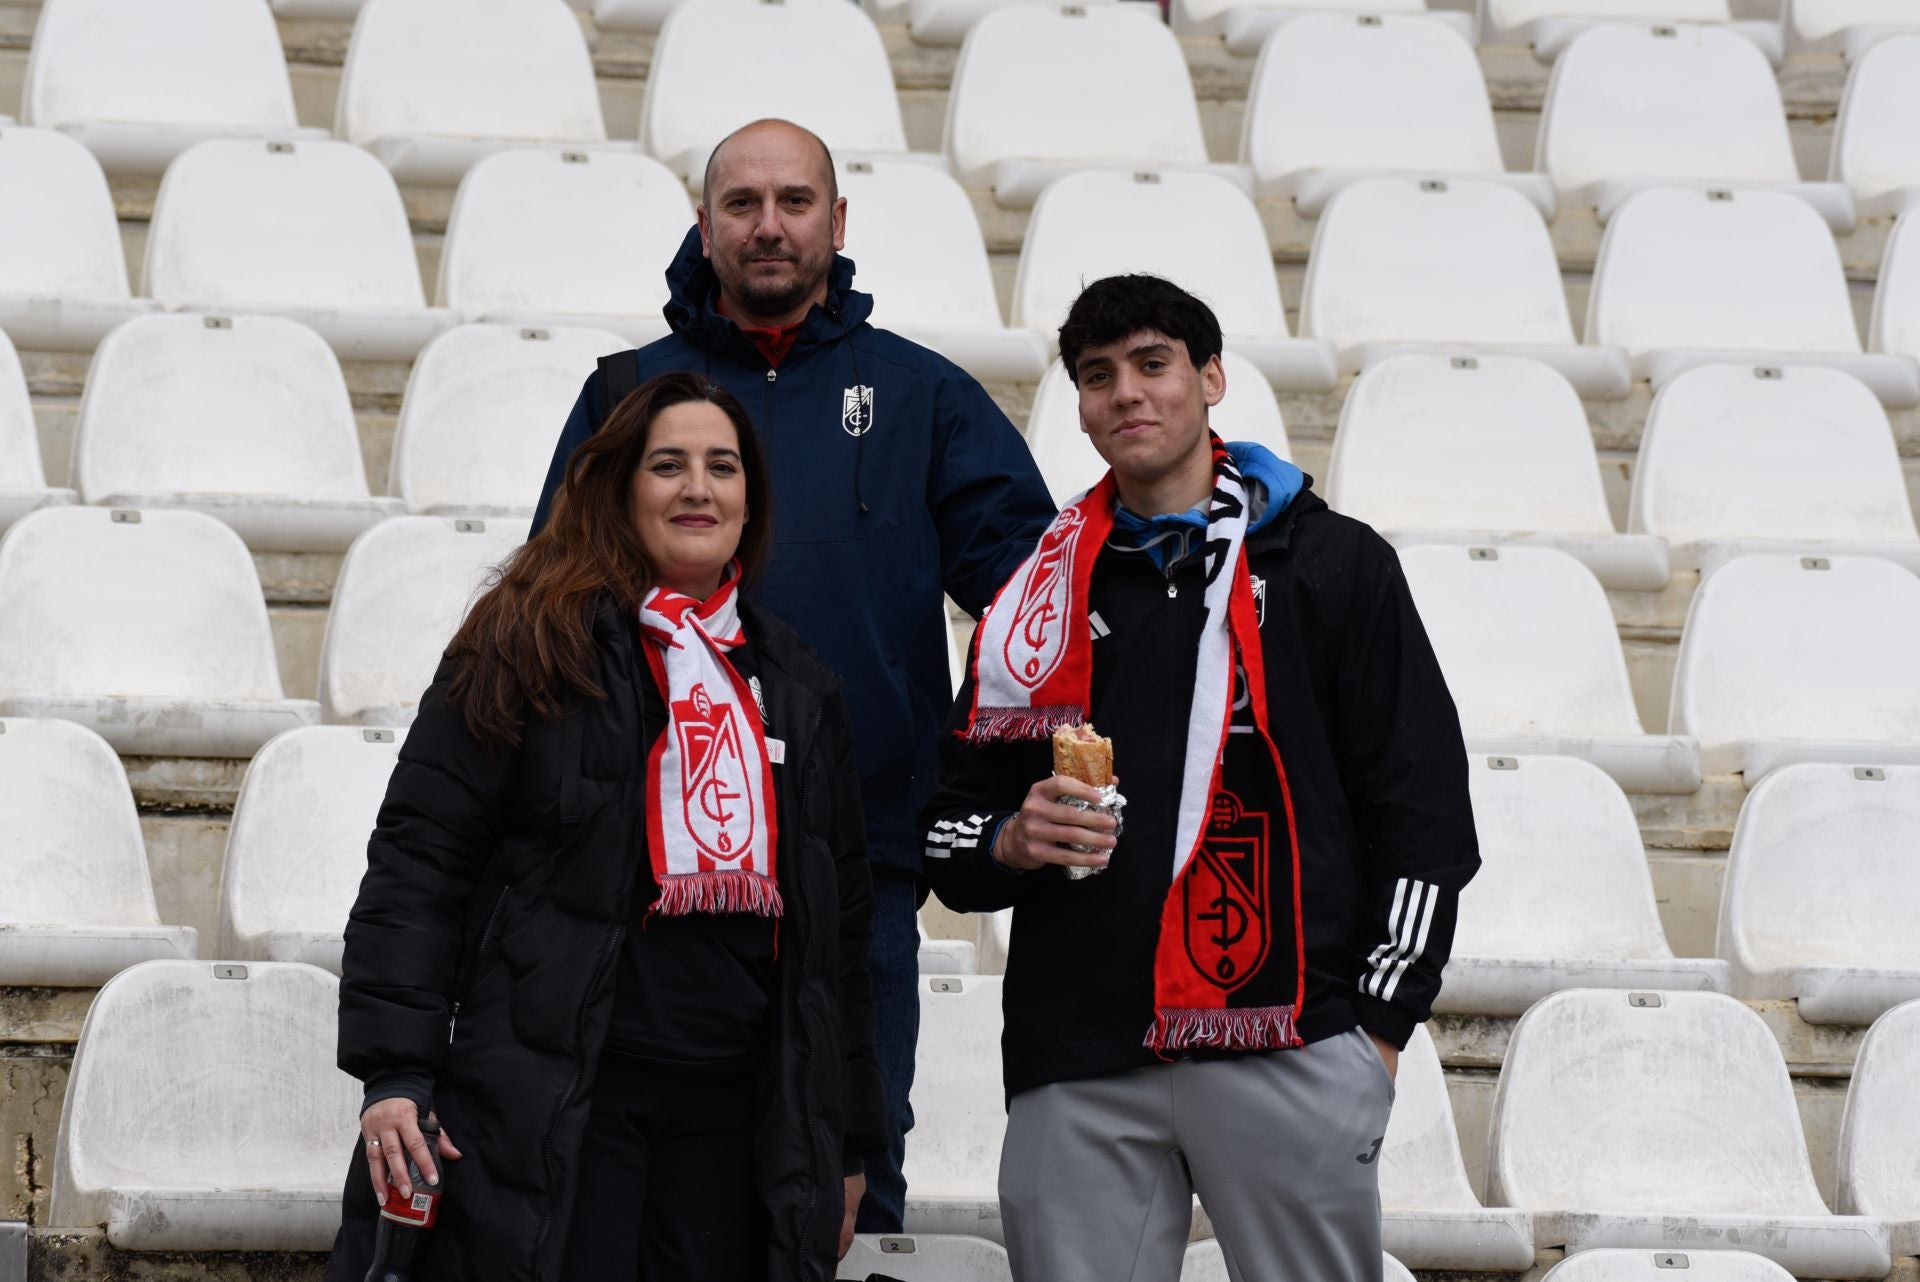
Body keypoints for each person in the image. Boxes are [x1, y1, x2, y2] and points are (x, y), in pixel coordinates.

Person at [526, 117, 1054, 1229]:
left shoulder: (923, 398)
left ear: (837, 222)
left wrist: (958, 769)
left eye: (795, 202)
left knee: (850, 1174)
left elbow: (1032, 614)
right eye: (743, 203)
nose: (770, 226)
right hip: (651, 871)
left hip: (852, 865)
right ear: (705, 225)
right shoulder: (626, 394)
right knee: (646, 1179)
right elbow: (555, 607)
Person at [920, 275, 1481, 1281]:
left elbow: (1424, 808)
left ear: (1210, 377)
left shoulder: (1333, 564)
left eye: (1152, 364)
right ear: (1081, 408)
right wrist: (1012, 838)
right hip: (1080, 1059)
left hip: (1289, 1042)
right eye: (1098, 377)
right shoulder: (1038, 593)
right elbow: (945, 831)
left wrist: (1377, 1033)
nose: (1126, 394)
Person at [327, 371, 886, 1282]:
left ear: (752, 500)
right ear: (623, 487)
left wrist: (849, 1144)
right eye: (668, 465)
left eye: (722, 467)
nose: (698, 489)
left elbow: (842, 933)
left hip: (738, 1114)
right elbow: (420, 861)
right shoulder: (527, 639)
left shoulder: (799, 683)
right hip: (566, 1099)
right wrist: (396, 1073)